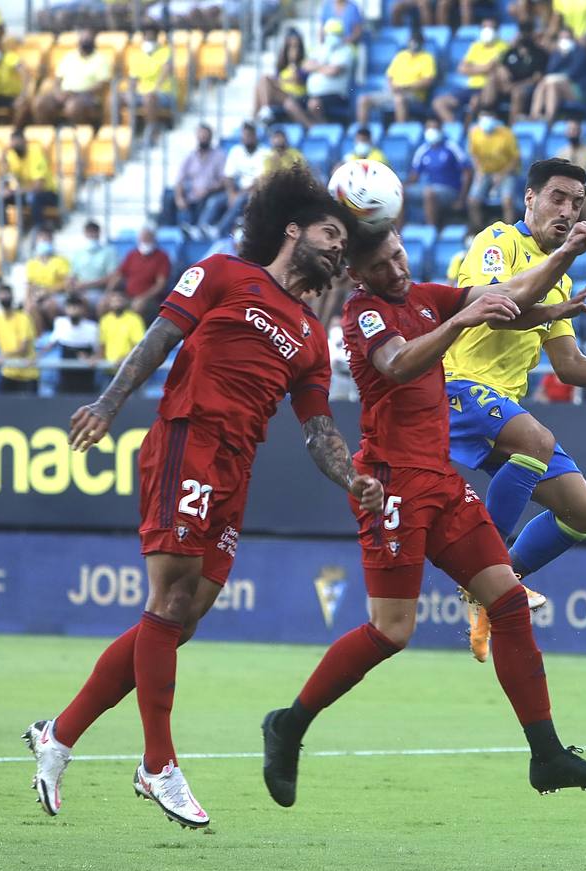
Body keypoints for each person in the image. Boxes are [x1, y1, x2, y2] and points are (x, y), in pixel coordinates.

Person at [23, 166, 382, 830]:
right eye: (330, 232)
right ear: (292, 229)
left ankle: (60, 734)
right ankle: (157, 764)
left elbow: (318, 430)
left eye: (344, 241)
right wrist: (107, 404)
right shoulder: (221, 273)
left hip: (236, 468)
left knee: (182, 619)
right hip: (188, 439)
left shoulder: (308, 335)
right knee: (168, 601)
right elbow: (158, 340)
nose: (338, 248)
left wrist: (352, 475)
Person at [261, 221, 586, 808]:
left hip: (439, 480)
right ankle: (290, 723)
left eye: (399, 255)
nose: (398, 269)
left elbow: (507, 296)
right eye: (382, 264)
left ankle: (546, 755)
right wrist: (460, 321)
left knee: (508, 603)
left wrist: (563, 253)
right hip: (392, 486)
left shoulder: (423, 296)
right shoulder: (362, 313)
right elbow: (398, 364)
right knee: (392, 631)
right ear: (357, 274)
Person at [446, 159, 586, 660]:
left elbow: (567, 365)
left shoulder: (560, 279)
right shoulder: (497, 241)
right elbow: (496, 311)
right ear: (529, 198)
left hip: (500, 405)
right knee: (537, 441)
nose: (567, 211)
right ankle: (487, 575)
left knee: (583, 511)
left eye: (577, 202)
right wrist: (561, 272)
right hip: (457, 386)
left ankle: (492, 592)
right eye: (558, 198)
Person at [432, 17, 508, 122]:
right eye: (485, 27)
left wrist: (472, 69)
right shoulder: (476, 46)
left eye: (491, 27)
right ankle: (455, 129)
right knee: (439, 103)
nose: (488, 30)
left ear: (497, 30)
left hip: (487, 88)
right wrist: (483, 68)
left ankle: (468, 130)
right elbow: (462, 68)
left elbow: (491, 68)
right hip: (471, 88)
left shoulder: (503, 46)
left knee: (475, 103)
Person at [356, 29, 437, 126]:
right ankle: (362, 132)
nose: (414, 43)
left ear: (422, 42)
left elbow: (428, 81)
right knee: (363, 100)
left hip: (413, 95)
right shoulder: (401, 56)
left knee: (399, 100)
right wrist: (392, 87)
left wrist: (406, 87)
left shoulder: (427, 58)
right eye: (412, 40)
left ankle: (400, 130)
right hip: (392, 92)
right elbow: (389, 76)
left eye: (417, 40)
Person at [36, 29, 113, 126]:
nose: (85, 42)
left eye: (88, 39)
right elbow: (58, 79)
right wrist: (57, 93)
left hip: (86, 96)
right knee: (41, 103)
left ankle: (77, 135)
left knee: (73, 106)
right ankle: (47, 135)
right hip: (65, 94)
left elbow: (102, 85)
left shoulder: (101, 59)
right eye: (83, 39)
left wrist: (77, 94)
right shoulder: (69, 57)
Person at [407, 119, 472, 228]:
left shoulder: (451, 147)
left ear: (441, 130)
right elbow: (414, 176)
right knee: (400, 193)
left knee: (429, 193)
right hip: (430, 187)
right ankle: (399, 231)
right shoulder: (422, 150)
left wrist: (462, 198)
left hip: (450, 190)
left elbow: (468, 172)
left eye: (435, 128)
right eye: (429, 128)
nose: (431, 131)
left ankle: (430, 230)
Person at [467, 108, 522, 231]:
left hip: (506, 172)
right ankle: (477, 230)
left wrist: (501, 175)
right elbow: (473, 154)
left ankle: (509, 232)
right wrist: (478, 170)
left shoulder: (507, 134)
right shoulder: (474, 133)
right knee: (472, 201)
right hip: (485, 172)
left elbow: (515, 159)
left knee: (507, 201)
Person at [528, 28, 586, 123]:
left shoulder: (580, 52)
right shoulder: (556, 53)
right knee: (545, 83)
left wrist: (567, 56)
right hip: (556, 86)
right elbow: (550, 69)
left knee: (552, 83)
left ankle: (549, 117)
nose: (564, 41)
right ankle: (534, 115)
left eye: (567, 38)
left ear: (573, 39)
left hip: (577, 89)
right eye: (562, 38)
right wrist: (561, 56)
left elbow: (573, 73)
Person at [487, 20, 548, 122]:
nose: (524, 35)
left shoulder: (540, 54)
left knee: (517, 93)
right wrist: (501, 69)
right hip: (507, 84)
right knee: (492, 80)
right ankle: (487, 115)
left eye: (527, 31)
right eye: (522, 31)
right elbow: (498, 64)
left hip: (526, 87)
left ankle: (512, 128)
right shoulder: (511, 51)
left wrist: (515, 86)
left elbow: (536, 78)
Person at [174, 124, 228, 238]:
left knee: (213, 201)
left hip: (212, 192)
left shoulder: (219, 155)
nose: (203, 138)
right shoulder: (190, 156)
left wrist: (208, 190)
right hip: (192, 193)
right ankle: (181, 230)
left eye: (206, 136)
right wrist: (179, 198)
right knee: (175, 199)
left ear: (211, 137)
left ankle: (200, 228)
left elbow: (225, 180)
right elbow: (179, 179)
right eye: (201, 136)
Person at [0, 283, 40, 393]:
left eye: (6, 294)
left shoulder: (24, 318)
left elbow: (23, 349)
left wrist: (3, 356)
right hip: (8, 374)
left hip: (28, 374)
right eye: (1, 295)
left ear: (12, 297)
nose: (4, 298)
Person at [216, 123, 270, 236]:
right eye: (245, 136)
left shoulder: (265, 153)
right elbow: (228, 176)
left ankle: (219, 230)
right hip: (237, 190)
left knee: (241, 200)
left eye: (250, 135)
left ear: (255, 136)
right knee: (214, 202)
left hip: (256, 191)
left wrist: (239, 194)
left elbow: (261, 180)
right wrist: (231, 194)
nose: (247, 138)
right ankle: (202, 229)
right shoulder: (236, 151)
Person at [0, 130, 59, 232]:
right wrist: (3, 157)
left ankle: (39, 230)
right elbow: (5, 177)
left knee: (33, 197)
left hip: (48, 194)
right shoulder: (12, 156)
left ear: (24, 142)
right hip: (24, 193)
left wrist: (17, 191)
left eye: (18, 143)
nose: (15, 146)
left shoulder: (36, 155)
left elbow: (38, 187)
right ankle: (5, 232)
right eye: (14, 144)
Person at [110, 228, 172, 321]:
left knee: (138, 306)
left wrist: (143, 298)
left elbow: (160, 285)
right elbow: (119, 275)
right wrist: (109, 293)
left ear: (154, 239)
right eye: (143, 238)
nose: (145, 241)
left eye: (148, 238)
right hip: (128, 295)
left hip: (151, 299)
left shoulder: (162, 257)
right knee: (107, 303)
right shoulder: (132, 255)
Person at [126, 28, 175, 145]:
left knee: (149, 98)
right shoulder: (138, 56)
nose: (149, 39)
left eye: (152, 37)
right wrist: (130, 92)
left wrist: (155, 89)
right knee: (116, 98)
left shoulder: (166, 52)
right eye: (147, 37)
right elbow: (133, 78)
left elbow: (166, 70)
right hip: (142, 93)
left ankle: (153, 132)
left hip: (164, 94)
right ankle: (124, 135)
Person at [301, 19, 355, 125]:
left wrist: (316, 67)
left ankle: (323, 129)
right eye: (330, 33)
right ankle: (311, 129)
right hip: (312, 94)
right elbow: (305, 66)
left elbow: (333, 71)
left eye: (335, 34)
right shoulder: (319, 49)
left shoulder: (347, 51)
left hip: (335, 95)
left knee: (314, 105)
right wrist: (324, 67)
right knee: (292, 103)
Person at [253, 30, 309, 125]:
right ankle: (257, 116)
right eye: (290, 47)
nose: (293, 50)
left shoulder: (304, 64)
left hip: (297, 96)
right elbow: (278, 81)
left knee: (265, 80)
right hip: (282, 95)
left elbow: (297, 80)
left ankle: (265, 110)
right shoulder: (282, 67)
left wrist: (293, 62)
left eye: (295, 47)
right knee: (260, 84)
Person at [51, 295, 101, 395]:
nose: (73, 310)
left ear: (82, 309)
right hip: (66, 375)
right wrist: (36, 357)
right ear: (65, 309)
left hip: (85, 376)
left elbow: (99, 350)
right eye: (70, 307)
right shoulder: (60, 323)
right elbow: (50, 344)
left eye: (76, 307)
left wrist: (93, 358)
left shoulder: (92, 327)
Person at [26, 229, 72, 330]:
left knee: (50, 305)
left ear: (52, 241)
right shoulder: (31, 263)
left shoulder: (61, 261)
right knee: (31, 308)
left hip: (58, 295)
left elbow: (67, 283)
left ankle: (57, 332)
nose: (44, 241)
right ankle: (40, 337)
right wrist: (28, 300)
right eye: (41, 239)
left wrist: (48, 291)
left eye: (47, 239)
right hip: (38, 296)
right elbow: (30, 285)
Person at [67, 220, 118, 309]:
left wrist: (87, 284)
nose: (92, 235)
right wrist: (71, 286)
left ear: (99, 233)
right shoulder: (78, 253)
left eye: (94, 232)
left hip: (99, 291)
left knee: (86, 301)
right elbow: (72, 275)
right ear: (85, 234)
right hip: (80, 290)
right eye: (89, 232)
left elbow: (112, 277)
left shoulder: (109, 252)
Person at [97, 289, 147, 374]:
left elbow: (139, 346)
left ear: (126, 302)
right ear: (109, 303)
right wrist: (96, 358)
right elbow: (102, 345)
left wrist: (125, 359)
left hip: (128, 370)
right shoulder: (105, 320)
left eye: (120, 300)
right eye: (114, 300)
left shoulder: (135, 319)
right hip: (108, 370)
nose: (117, 303)